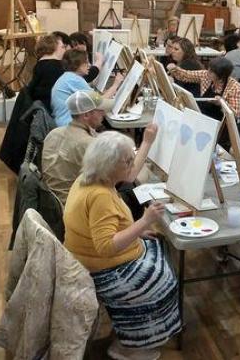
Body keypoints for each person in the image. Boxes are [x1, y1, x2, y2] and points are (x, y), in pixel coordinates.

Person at [63, 132, 181, 358]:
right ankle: (131, 346)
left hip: (92, 258)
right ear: (108, 165)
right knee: (161, 278)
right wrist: (144, 221)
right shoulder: (100, 196)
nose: (131, 164)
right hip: (102, 269)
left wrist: (137, 231)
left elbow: (107, 228)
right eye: (127, 161)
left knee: (160, 247)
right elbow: (106, 246)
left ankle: (141, 331)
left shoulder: (90, 178)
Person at [41, 90, 158, 203]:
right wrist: (147, 142)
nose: (104, 113)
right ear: (86, 115)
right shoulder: (89, 144)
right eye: (100, 110)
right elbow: (130, 175)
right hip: (76, 206)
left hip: (54, 202)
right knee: (136, 187)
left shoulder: (54, 133)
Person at [28, 34, 101, 111]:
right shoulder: (55, 66)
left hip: (45, 110)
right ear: (53, 48)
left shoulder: (40, 65)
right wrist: (99, 62)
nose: (65, 50)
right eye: (62, 47)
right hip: (54, 112)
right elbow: (84, 76)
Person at [51, 50, 122, 127]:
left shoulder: (68, 77)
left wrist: (107, 92)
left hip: (63, 122)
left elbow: (94, 98)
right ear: (77, 65)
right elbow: (99, 101)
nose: (89, 65)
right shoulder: (74, 80)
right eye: (86, 62)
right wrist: (116, 84)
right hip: (68, 125)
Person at [167, 56, 240, 116]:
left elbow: (235, 114)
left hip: (221, 124)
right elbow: (186, 75)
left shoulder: (234, 87)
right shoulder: (206, 75)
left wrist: (222, 104)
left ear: (221, 77)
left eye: (211, 72)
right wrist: (175, 69)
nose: (208, 72)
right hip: (201, 115)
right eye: (209, 69)